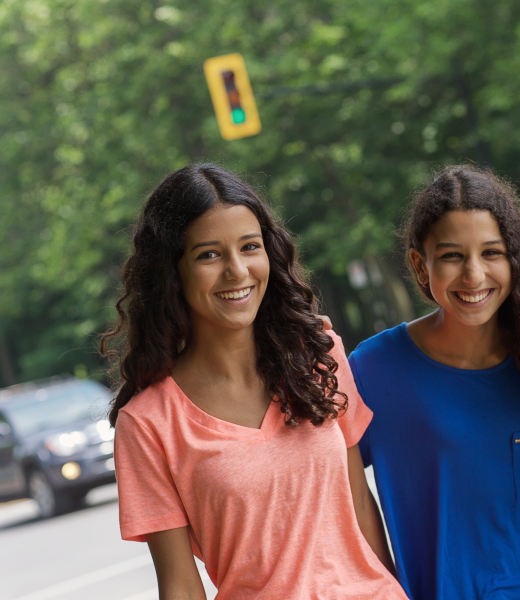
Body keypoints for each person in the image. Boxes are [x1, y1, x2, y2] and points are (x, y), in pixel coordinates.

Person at [100, 164, 407, 600]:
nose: (237, 270)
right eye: (209, 254)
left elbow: (359, 503)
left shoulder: (318, 353)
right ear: (172, 272)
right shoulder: (148, 424)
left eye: (249, 247)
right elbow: (181, 586)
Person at [348, 165, 520, 599]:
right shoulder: (374, 369)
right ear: (420, 266)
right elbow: (339, 491)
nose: (474, 275)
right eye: (453, 256)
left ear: (515, 257)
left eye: (492, 253)